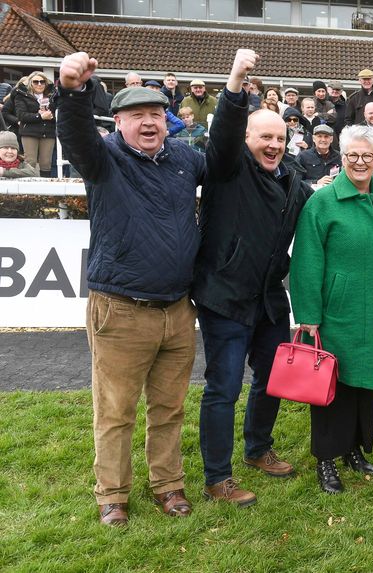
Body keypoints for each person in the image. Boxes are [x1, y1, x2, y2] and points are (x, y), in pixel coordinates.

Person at [57, 51, 206, 526]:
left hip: (178, 310)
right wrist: (73, 92)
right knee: (116, 410)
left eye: (156, 115)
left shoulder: (184, 159)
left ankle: (168, 485)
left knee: (169, 408)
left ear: (168, 121)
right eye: (137, 115)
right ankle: (113, 495)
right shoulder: (104, 159)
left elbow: (225, 167)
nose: (148, 123)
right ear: (117, 122)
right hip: (120, 310)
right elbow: (76, 136)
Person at [192, 49, 314, 508]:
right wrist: (236, 81)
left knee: (270, 378)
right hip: (224, 296)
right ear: (247, 137)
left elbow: (317, 205)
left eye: (279, 139)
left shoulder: (292, 181)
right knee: (223, 387)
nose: (273, 145)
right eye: (264, 137)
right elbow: (221, 135)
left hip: (267, 298)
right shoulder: (227, 166)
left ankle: (258, 449)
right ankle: (217, 477)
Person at [290, 124, 373, 494]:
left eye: (368, 156)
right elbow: (306, 261)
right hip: (336, 311)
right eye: (352, 155)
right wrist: (308, 314)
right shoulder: (322, 202)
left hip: (372, 310)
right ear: (342, 156)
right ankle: (326, 460)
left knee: (363, 385)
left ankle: (354, 449)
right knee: (330, 386)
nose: (360, 162)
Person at [12, 71, 56, 176]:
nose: (39, 84)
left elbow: (60, 112)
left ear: (46, 83)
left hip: (48, 132)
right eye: (36, 82)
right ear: (31, 83)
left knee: (46, 163)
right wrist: (40, 116)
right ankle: (27, 190)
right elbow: (21, 116)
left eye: (42, 82)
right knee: (30, 162)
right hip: (29, 132)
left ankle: (46, 190)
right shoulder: (21, 95)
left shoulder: (53, 96)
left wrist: (52, 115)